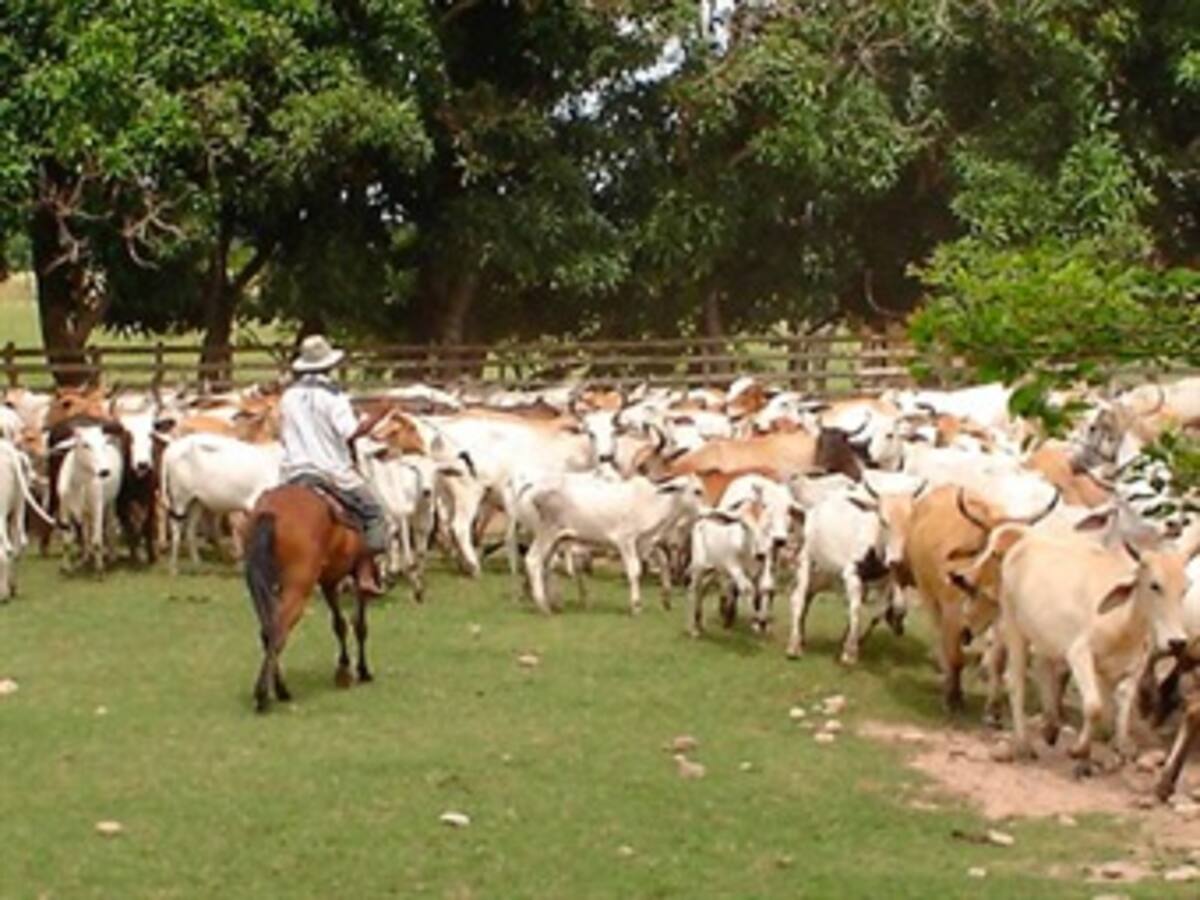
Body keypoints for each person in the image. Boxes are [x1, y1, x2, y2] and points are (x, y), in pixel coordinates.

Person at [279, 334, 391, 597]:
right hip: (330, 471)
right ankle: (364, 572)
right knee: (373, 514)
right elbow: (350, 432)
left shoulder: (289, 396)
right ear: (329, 365)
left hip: (293, 470)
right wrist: (377, 415)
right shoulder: (334, 396)